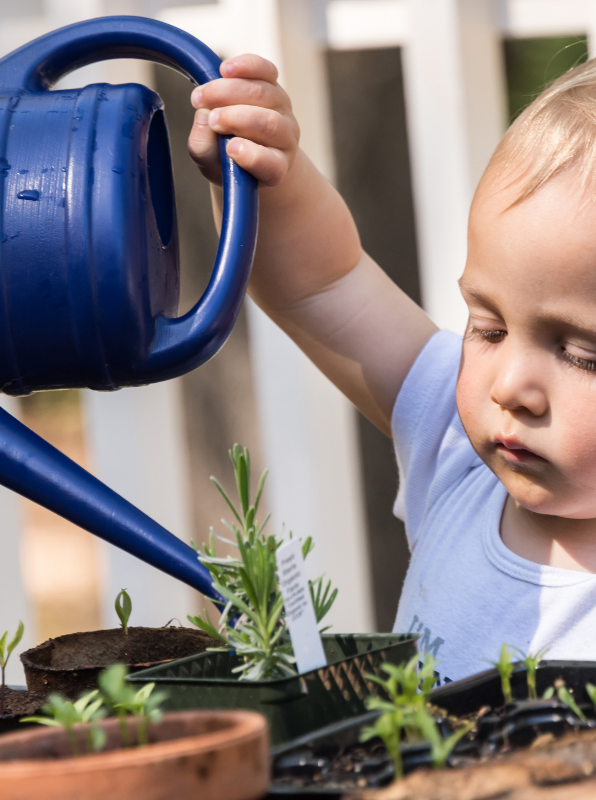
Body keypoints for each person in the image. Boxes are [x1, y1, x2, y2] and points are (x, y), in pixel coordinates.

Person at [187, 54, 596, 682]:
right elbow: (323, 288)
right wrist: (263, 176)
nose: (510, 387)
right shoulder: (458, 454)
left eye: (579, 355)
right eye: (488, 328)